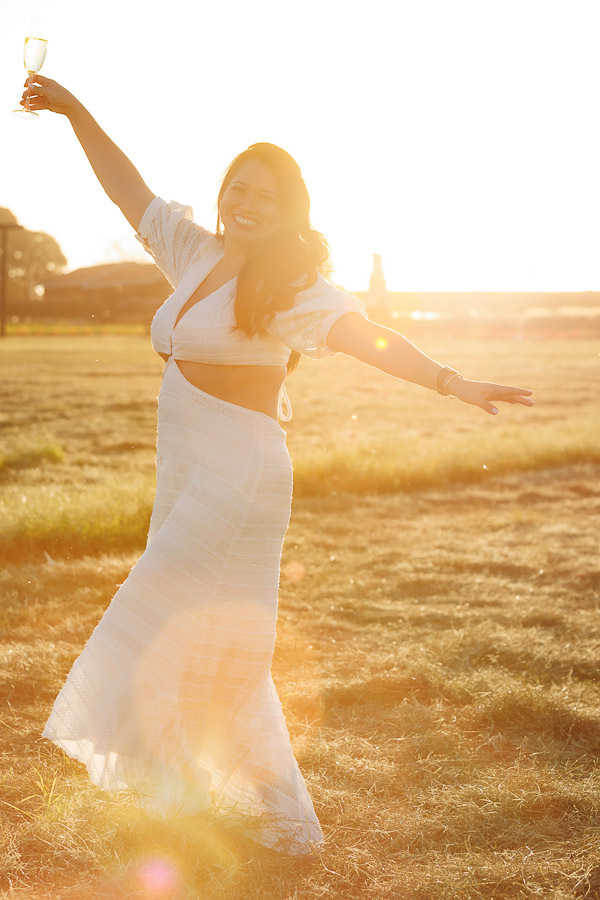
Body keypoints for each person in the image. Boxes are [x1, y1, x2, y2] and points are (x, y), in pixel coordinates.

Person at [24, 75, 534, 856]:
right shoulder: (193, 254)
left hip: (242, 476)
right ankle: (241, 801)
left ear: (289, 207)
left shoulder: (295, 286)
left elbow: (367, 338)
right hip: (188, 471)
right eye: (238, 186)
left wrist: (450, 380)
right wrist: (76, 113)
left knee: (153, 612)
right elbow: (125, 188)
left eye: (266, 193)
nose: (247, 201)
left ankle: (190, 785)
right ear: (222, 194)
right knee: (209, 637)